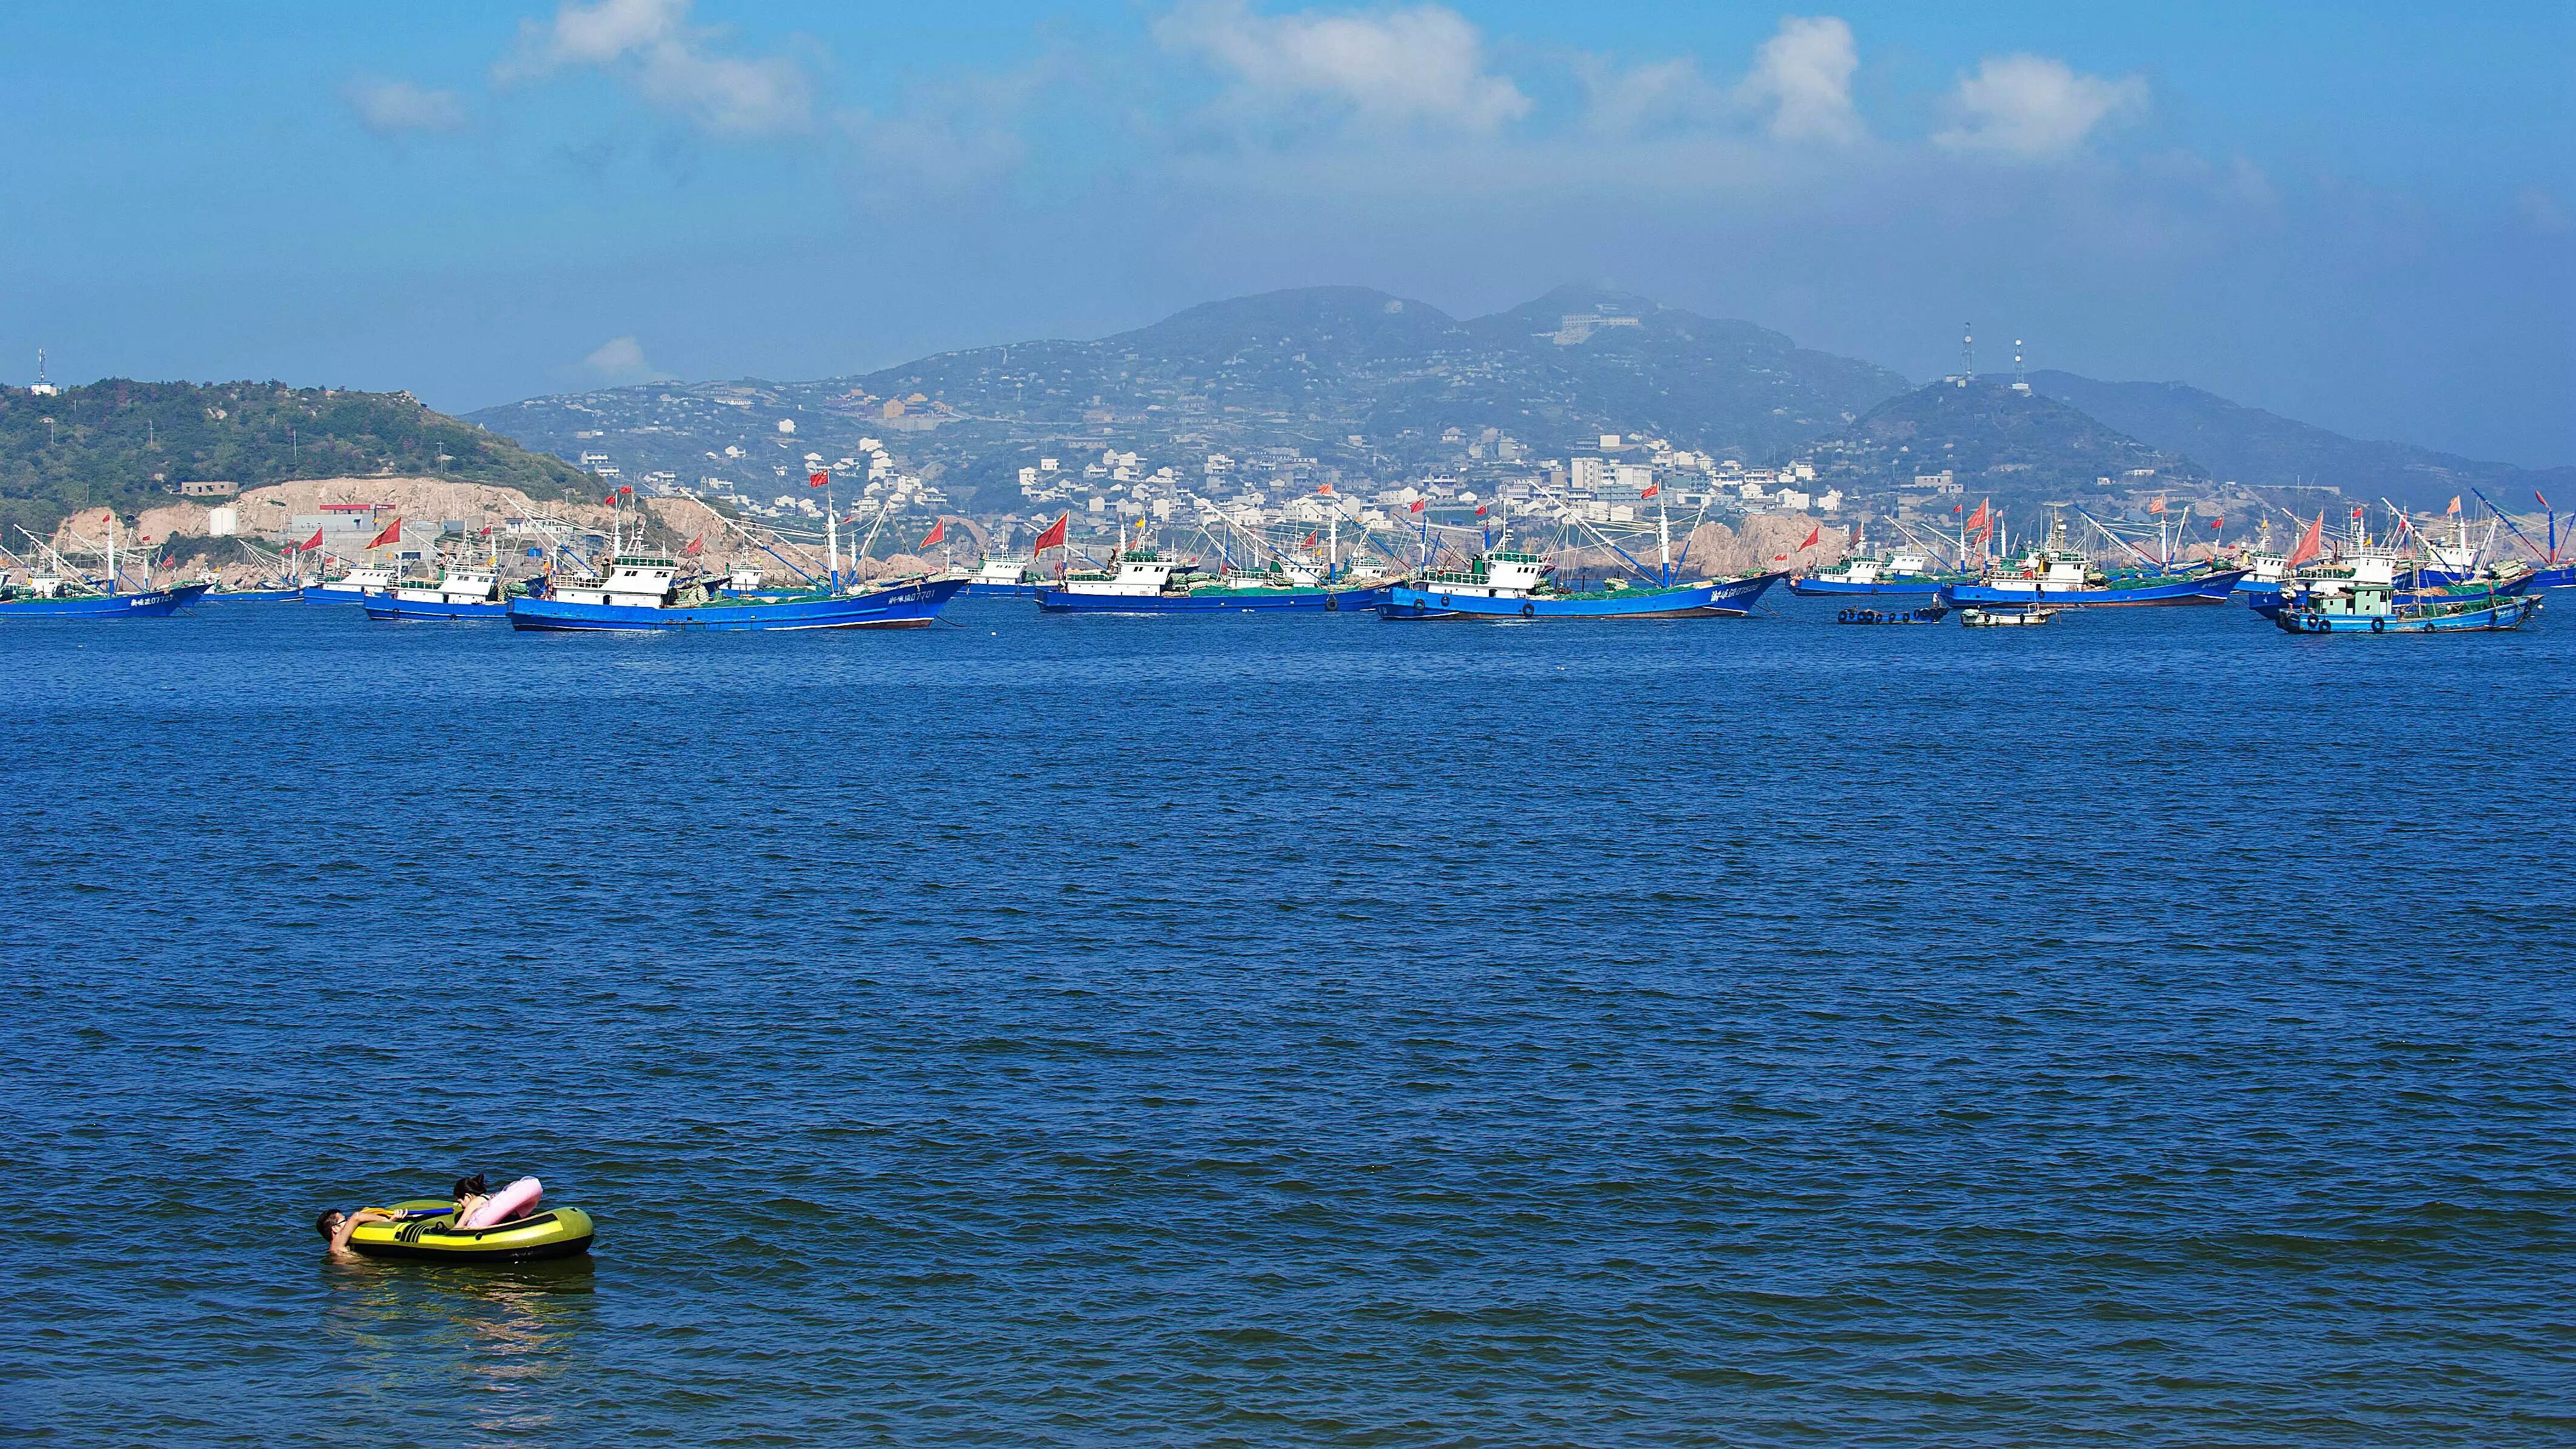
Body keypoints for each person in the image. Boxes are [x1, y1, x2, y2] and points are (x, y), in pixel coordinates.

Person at [315, 1206, 396, 1258]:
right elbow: (357, 1217)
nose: (349, 1221)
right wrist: (387, 1221)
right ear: (336, 1228)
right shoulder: (337, 1244)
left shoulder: (335, 1248)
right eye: (346, 1220)